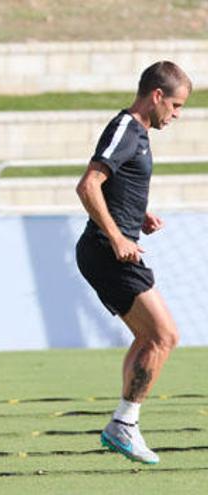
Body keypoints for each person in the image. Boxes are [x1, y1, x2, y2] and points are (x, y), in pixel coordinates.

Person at [75, 61, 190, 465]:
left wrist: (137, 216)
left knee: (149, 339)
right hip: (109, 252)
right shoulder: (126, 128)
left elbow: (116, 185)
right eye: (175, 106)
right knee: (164, 336)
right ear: (156, 96)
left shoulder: (138, 134)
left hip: (112, 248)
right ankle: (123, 425)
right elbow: (88, 185)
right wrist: (118, 235)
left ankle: (123, 424)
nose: (176, 115)